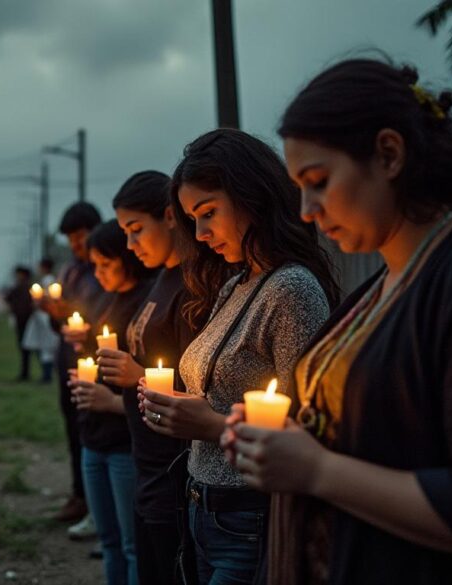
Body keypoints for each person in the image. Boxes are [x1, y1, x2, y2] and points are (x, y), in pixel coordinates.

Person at [223, 58, 452, 585]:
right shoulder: (382, 287)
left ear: (389, 154)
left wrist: (318, 471)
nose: (306, 210)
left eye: (319, 181)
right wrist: (282, 435)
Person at [140, 129, 338, 585]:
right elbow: (216, 389)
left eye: (208, 213)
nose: (201, 234)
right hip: (200, 507)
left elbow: (310, 425)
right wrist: (169, 399)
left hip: (250, 519)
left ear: (252, 195)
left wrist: (210, 424)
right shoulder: (236, 284)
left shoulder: (292, 291)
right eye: (192, 220)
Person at [101, 170, 216, 585]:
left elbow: (199, 387)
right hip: (145, 462)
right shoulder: (161, 280)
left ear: (170, 216)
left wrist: (136, 374)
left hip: (173, 471)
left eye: (136, 230)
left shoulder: (192, 284)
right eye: (125, 234)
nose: (131, 245)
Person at [66, 219, 156, 585]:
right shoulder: (109, 298)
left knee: (132, 544)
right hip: (93, 437)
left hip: (124, 440)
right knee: (108, 541)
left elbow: (156, 376)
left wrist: (111, 400)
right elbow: (102, 356)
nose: (99, 273)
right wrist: (82, 345)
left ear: (127, 258)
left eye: (106, 264)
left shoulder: (148, 302)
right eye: (95, 265)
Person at [43, 202, 106, 524]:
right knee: (73, 430)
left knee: (95, 432)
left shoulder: (106, 267)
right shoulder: (70, 270)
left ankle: (99, 505)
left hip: (98, 364)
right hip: (68, 361)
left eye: (80, 235)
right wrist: (55, 313)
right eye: (70, 238)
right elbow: (64, 323)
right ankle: (80, 494)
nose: (76, 244)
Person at [22, 258, 60, 383]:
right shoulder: (49, 280)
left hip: (45, 317)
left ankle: (47, 375)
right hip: (42, 317)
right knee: (44, 347)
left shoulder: (48, 281)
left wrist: (39, 302)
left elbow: (49, 299)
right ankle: (46, 373)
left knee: (47, 347)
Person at [3, 265, 35, 381]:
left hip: (27, 321)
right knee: (23, 347)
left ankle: (26, 373)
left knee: (27, 347)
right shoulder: (19, 287)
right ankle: (25, 372)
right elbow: (8, 298)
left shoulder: (27, 288)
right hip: (21, 320)